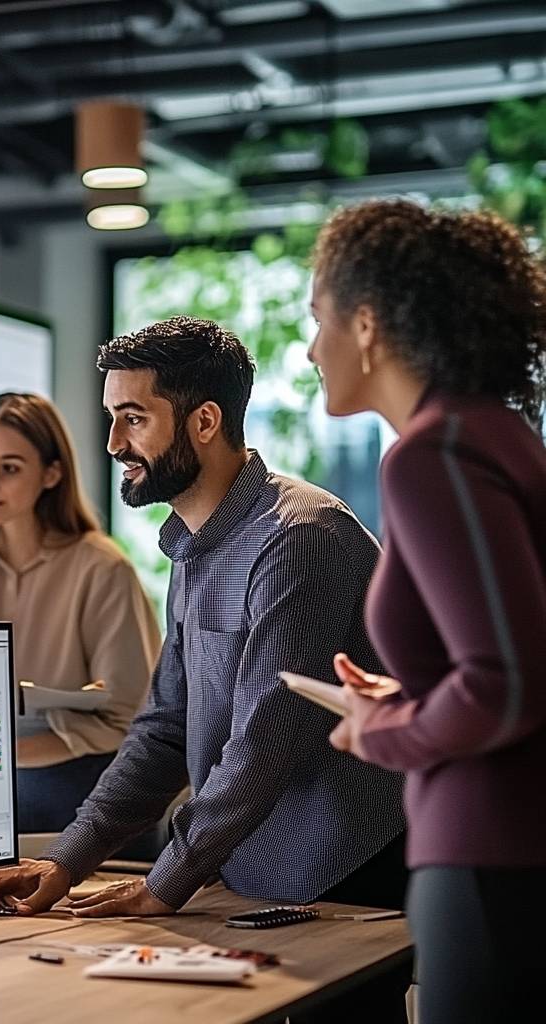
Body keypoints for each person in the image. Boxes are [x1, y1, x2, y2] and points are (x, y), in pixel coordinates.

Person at [0, 318, 408, 1020]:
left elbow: (265, 743)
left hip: (340, 872)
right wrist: (66, 860)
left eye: (133, 419)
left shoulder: (301, 538)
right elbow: (162, 729)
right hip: (251, 870)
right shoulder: (194, 541)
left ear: (205, 420)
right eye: (110, 417)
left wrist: (165, 882)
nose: (112, 444)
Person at [309, 200, 546, 1024]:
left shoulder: (434, 453)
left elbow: (507, 686)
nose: (310, 348)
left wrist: (382, 732)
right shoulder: (497, 434)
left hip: (489, 851)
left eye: (318, 318)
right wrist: (403, 696)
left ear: (367, 325)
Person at [0, 392, 161, 837]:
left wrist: (1, 755)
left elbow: (130, 718)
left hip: (74, 785)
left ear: (51, 474)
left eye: (8, 468)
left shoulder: (102, 568)